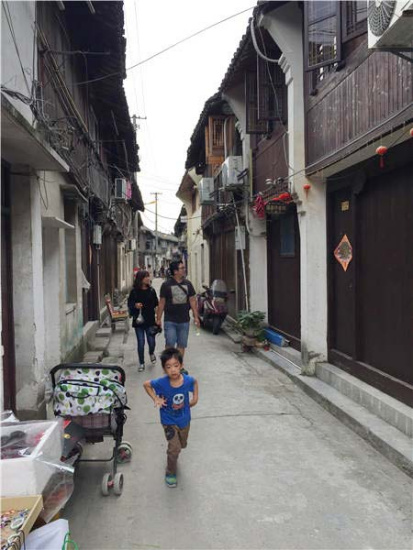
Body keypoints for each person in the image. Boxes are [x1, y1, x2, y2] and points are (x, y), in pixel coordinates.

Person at [143, 347, 198, 488]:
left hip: (184, 419)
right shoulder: (161, 383)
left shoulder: (187, 381)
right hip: (168, 420)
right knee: (174, 448)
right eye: (168, 367)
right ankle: (170, 472)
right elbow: (146, 385)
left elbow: (195, 382)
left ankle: (175, 452)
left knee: (182, 444)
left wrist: (195, 398)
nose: (173, 370)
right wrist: (156, 398)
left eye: (176, 366)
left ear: (181, 365)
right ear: (164, 369)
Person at [156, 260, 200, 358]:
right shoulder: (166, 285)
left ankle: (179, 366)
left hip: (184, 320)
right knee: (170, 344)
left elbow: (192, 300)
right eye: (182, 268)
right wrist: (158, 319)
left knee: (181, 345)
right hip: (170, 320)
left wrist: (196, 317)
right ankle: (169, 364)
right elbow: (162, 303)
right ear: (175, 271)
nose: (184, 270)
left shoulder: (188, 284)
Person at [128, 270, 159, 372]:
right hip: (139, 321)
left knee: (151, 342)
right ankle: (141, 363)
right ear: (140, 279)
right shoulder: (134, 292)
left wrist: (158, 319)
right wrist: (135, 305)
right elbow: (130, 304)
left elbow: (156, 305)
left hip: (150, 321)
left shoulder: (152, 291)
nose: (148, 278)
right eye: (146, 277)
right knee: (141, 343)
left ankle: (151, 353)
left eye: (148, 277)